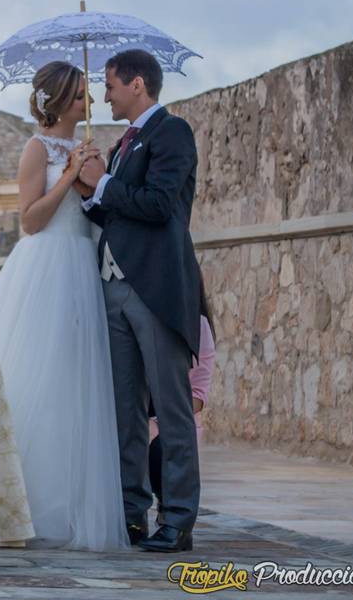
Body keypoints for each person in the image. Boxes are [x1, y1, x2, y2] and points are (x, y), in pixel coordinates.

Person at [0, 61, 128, 550]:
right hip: (46, 266)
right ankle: (16, 502)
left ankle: (68, 501)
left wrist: (94, 178)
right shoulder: (37, 148)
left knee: (78, 385)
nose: (88, 103)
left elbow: (98, 209)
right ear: (56, 101)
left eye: (89, 95)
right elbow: (31, 220)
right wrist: (68, 178)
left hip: (84, 264)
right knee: (36, 376)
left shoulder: (89, 148)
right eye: (80, 95)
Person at [78, 48, 203, 552]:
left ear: (136, 84)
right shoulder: (122, 145)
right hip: (114, 289)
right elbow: (117, 216)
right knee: (124, 410)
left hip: (155, 289)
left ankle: (177, 521)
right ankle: (131, 514)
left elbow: (157, 205)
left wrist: (104, 184)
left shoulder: (172, 133)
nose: (103, 95)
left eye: (109, 86)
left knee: (170, 410)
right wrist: (87, 191)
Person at [149, 283, 217, 523]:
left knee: (156, 444)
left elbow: (197, 398)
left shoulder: (199, 327)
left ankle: (170, 504)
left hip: (174, 421)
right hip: (149, 417)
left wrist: (156, 420)